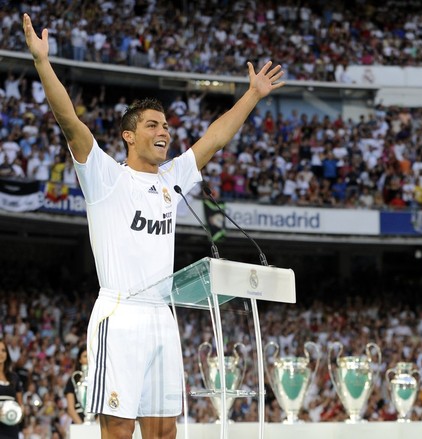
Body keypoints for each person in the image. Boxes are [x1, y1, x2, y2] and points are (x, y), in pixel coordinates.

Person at [23, 12, 284, 439]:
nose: (164, 132)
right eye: (152, 125)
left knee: (164, 431)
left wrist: (253, 94)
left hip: (163, 315)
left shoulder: (171, 180)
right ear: (128, 136)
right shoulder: (106, 177)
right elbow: (70, 121)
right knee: (118, 430)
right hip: (120, 313)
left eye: (165, 125)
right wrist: (42, 62)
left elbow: (215, 138)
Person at [0, 340, 24, 439]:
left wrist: (20, 413)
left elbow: (20, 403)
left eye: (3, 350)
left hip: (11, 425)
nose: (1, 353)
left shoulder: (14, 377)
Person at [64, 346, 88, 425]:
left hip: (97, 423)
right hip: (78, 422)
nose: (88, 359)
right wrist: (82, 426)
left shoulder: (99, 379)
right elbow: (70, 408)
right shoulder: (73, 380)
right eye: (85, 356)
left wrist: (96, 423)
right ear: (80, 360)